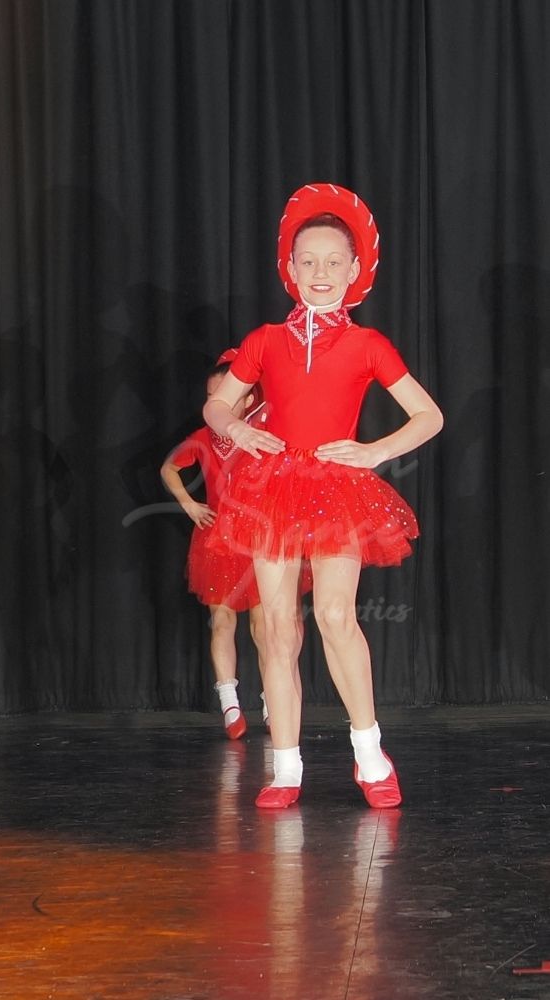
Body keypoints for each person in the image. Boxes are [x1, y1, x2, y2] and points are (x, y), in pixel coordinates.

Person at [203, 184, 443, 808]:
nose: (321, 272)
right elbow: (218, 404)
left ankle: (370, 754)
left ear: (355, 269)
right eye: (308, 260)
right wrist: (236, 428)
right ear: (289, 267)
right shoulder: (264, 340)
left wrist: (375, 450)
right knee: (278, 628)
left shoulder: (368, 345)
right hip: (272, 489)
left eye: (334, 261)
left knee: (336, 617)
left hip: (337, 489)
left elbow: (428, 416)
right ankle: (286, 766)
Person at [161, 349, 268, 739]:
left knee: (265, 625)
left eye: (226, 396)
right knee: (222, 620)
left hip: (259, 539)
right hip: (219, 539)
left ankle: (274, 700)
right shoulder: (204, 437)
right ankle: (229, 703)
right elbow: (169, 467)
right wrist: (190, 504)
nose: (216, 404)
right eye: (211, 398)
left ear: (249, 399)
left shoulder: (264, 432)